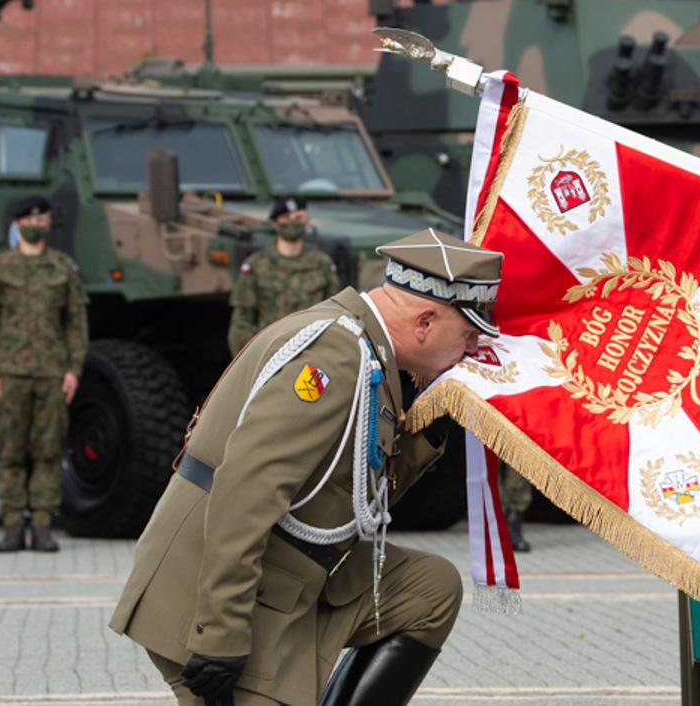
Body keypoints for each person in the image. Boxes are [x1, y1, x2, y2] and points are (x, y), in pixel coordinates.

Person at [111, 228, 500, 706]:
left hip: (293, 570)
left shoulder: (366, 352)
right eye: (466, 334)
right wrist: (221, 633)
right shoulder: (334, 355)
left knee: (430, 589)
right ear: (424, 321)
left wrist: (434, 423)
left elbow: (356, 493)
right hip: (213, 597)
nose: (469, 348)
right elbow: (247, 489)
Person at [0, 196, 88, 553]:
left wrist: (73, 370)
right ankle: (11, 526)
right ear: (17, 223)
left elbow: (76, 325)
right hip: (10, 375)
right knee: (10, 452)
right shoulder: (0, 270)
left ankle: (42, 527)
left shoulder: (63, 269)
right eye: (29, 220)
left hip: (52, 375)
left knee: (48, 453)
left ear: (48, 225)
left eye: (42, 220)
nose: (35, 225)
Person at [228, 195, 343, 355]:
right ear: (275, 223)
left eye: (298, 217)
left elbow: (335, 312)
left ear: (307, 220)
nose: (292, 222)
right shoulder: (257, 264)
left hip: (313, 350)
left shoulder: (321, 263)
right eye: (286, 218)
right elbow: (242, 320)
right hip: (270, 350)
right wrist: (248, 360)